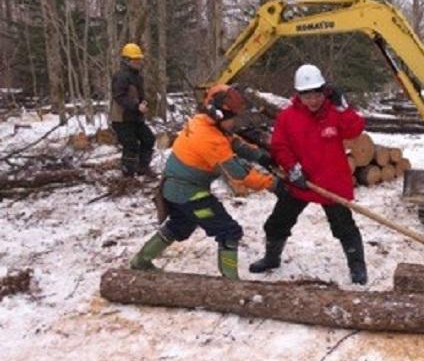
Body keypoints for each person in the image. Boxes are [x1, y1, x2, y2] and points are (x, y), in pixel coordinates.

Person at [130, 84, 280, 279]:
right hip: (189, 194)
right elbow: (239, 174)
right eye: (233, 119)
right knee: (229, 232)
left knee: (179, 224)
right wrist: (273, 184)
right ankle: (230, 283)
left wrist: (261, 156)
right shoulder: (210, 139)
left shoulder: (203, 121)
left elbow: (234, 141)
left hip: (174, 188)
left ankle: (140, 261)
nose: (235, 123)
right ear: (219, 115)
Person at [249, 64, 368, 284]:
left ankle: (357, 266)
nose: (313, 100)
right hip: (301, 182)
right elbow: (280, 146)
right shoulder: (287, 117)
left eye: (316, 94)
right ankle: (271, 257)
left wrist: (343, 109)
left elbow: (355, 129)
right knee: (277, 222)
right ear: (298, 95)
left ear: (324, 91)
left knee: (344, 227)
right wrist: (292, 169)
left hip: (332, 183)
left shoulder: (335, 113)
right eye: (307, 95)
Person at [110, 43, 156, 177]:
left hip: (136, 118)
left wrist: (143, 103)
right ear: (126, 60)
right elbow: (119, 96)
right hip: (122, 118)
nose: (138, 62)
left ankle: (143, 169)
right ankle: (128, 175)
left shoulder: (138, 76)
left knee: (148, 139)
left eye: (139, 59)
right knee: (131, 146)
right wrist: (136, 106)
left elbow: (139, 96)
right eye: (135, 60)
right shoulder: (121, 76)